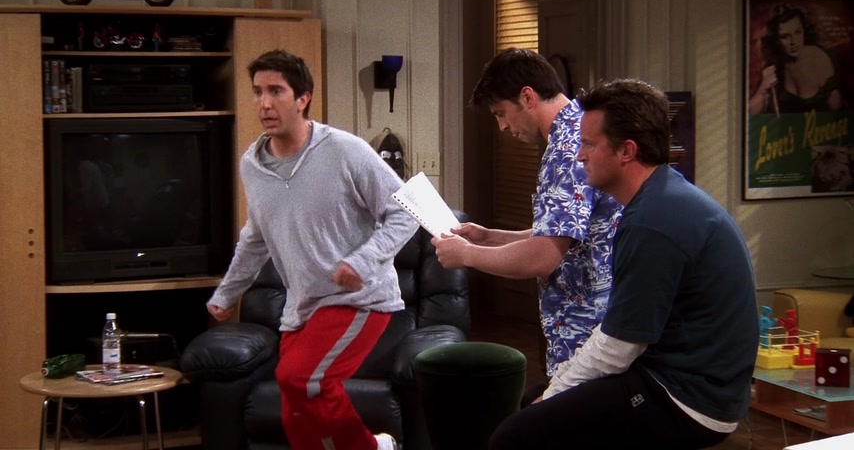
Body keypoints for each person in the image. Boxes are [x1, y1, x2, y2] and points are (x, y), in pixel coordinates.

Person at [488, 78, 759, 449]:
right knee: (533, 402)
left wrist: (554, 395)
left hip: (689, 398)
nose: (579, 156)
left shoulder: (654, 221)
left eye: (589, 144)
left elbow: (618, 346)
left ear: (627, 151)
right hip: (675, 374)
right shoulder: (660, 196)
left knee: (513, 437)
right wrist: (553, 390)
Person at [206, 49, 416, 450]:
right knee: (296, 411)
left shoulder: (345, 150)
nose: (264, 103)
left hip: (359, 299)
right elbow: (255, 237)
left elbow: (406, 210)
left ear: (303, 98)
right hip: (303, 306)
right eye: (257, 92)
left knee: (301, 379)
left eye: (276, 91)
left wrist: (362, 261)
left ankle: (374, 448)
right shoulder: (252, 165)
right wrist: (228, 293)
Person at [431, 48, 622, 400]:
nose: (502, 126)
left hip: (588, 329)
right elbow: (566, 233)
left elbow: (543, 256)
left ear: (528, 97)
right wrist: (489, 237)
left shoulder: (566, 150)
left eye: (501, 113)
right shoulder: (575, 134)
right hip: (587, 324)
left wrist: (467, 255)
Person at [748, 3, 845, 115]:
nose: (793, 42)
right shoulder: (774, 66)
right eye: (785, 36)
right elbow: (749, 113)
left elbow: (837, 114)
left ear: (804, 30)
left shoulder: (823, 60)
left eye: (797, 32)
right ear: (776, 39)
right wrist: (763, 89)